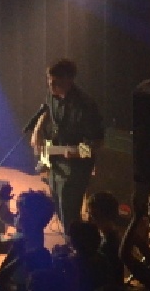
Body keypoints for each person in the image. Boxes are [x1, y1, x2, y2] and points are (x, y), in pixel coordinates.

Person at [31, 58, 104, 232]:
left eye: (55, 82)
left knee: (69, 210)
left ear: (68, 80)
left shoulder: (86, 106)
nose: (50, 86)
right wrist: (37, 130)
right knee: (57, 203)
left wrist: (77, 152)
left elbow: (98, 143)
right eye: (49, 81)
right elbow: (47, 110)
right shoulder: (52, 95)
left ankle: (74, 242)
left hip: (77, 167)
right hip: (56, 160)